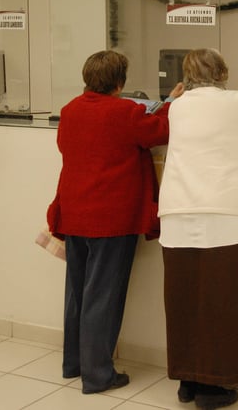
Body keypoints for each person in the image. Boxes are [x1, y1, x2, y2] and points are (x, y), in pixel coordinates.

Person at [47, 49, 182, 395]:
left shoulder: (70, 110)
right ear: (119, 82)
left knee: (78, 293)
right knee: (103, 296)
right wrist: (171, 102)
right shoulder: (125, 112)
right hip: (111, 218)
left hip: (75, 213)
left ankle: (74, 363)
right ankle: (98, 375)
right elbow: (161, 131)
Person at [158, 48, 238, 410]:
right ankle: (214, 388)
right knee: (222, 301)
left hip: (178, 212)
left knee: (183, 299)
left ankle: (187, 379)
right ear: (223, 72)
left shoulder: (178, 106)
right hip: (223, 214)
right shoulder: (235, 103)